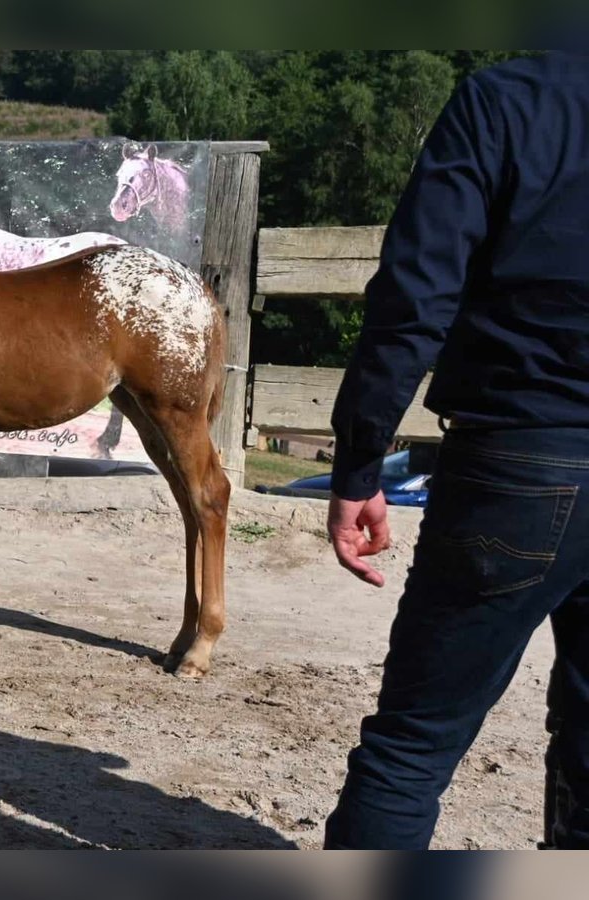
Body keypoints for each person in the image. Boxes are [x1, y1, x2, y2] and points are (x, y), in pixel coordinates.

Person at [324, 51, 589, 848]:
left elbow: (413, 294)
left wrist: (360, 459)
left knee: (412, 746)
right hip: (529, 449)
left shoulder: (506, 100)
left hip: (523, 453)